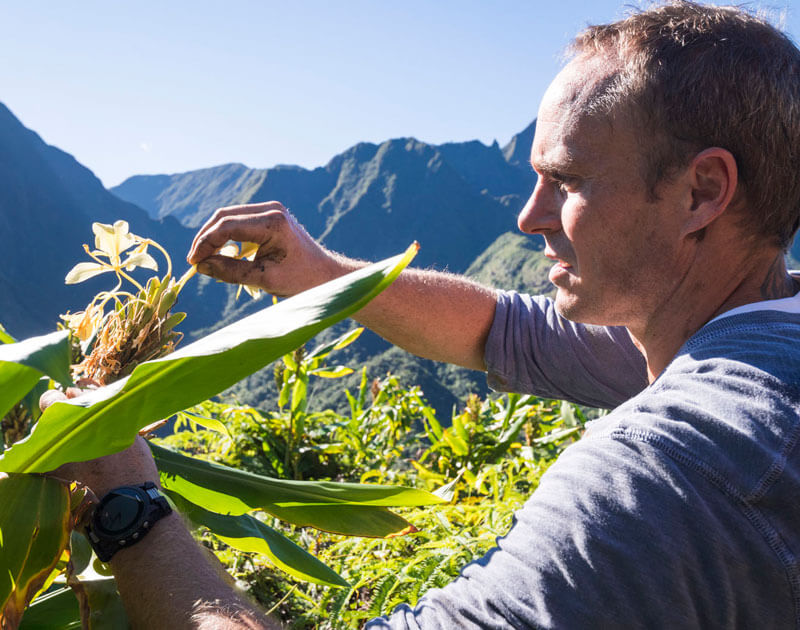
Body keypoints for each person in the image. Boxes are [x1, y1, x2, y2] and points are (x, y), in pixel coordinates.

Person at [50, 1, 800, 627]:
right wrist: (319, 276)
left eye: (565, 180)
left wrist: (127, 503)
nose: (528, 218)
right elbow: (505, 329)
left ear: (702, 192)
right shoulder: (754, 337)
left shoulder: (672, 471)